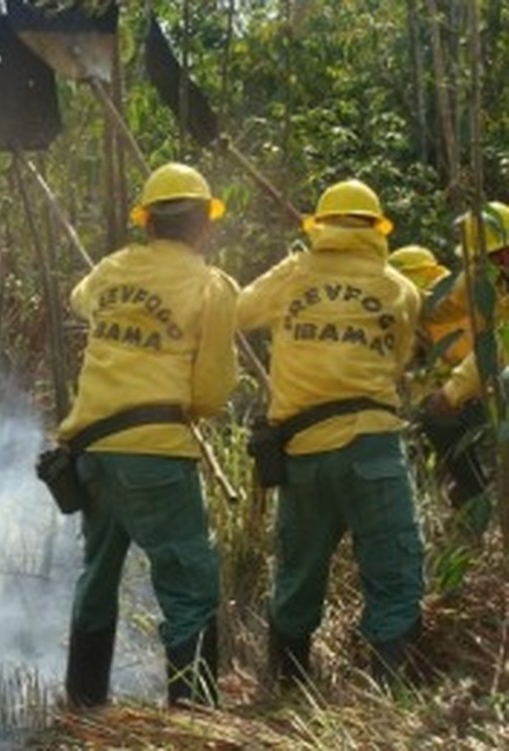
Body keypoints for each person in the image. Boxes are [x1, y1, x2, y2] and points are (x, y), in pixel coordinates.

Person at [57, 162, 239, 709]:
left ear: (147, 223)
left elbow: (77, 299)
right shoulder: (213, 286)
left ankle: (84, 707)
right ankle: (196, 719)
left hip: (92, 452)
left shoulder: (111, 270)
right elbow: (210, 390)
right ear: (205, 224)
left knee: (97, 575)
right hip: (156, 455)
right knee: (190, 586)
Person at [237, 178, 425, 691]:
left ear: (322, 226)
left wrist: (291, 268)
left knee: (296, 581)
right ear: (375, 228)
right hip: (372, 446)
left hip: (302, 454)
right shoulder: (400, 289)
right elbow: (399, 360)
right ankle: (392, 705)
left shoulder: (294, 274)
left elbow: (240, 311)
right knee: (394, 577)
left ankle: (286, 697)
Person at [422, 202, 509, 532]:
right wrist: (397, 295)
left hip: (498, 370)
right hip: (491, 372)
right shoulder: (480, 276)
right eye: (494, 256)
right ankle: (474, 494)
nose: (502, 261)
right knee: (436, 416)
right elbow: (440, 308)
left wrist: (455, 390)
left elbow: (498, 346)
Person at [388, 245, 488, 524]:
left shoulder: (446, 307)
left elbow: (464, 366)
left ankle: (472, 494)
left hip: (481, 391)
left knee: (436, 422)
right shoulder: (457, 294)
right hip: (471, 388)